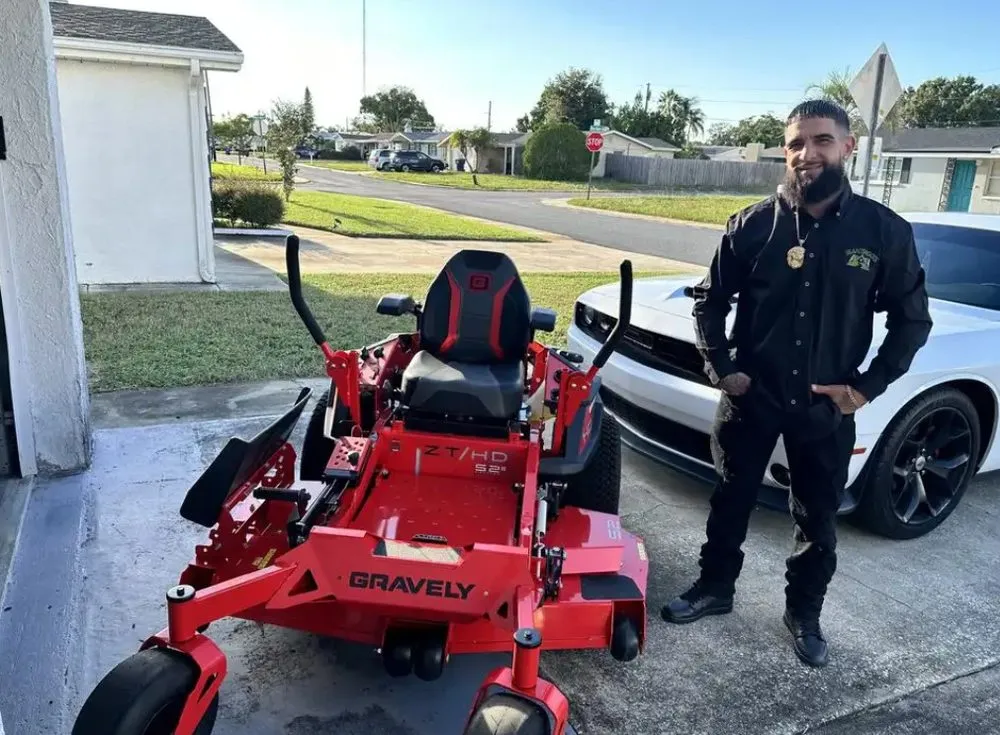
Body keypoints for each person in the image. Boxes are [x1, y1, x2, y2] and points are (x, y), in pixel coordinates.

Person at [660, 99, 933, 667]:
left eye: (823, 140)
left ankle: (803, 614)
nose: (808, 154)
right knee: (729, 501)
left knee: (817, 518)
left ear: (848, 146)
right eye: (796, 144)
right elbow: (709, 302)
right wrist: (723, 369)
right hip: (750, 399)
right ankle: (714, 589)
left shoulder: (882, 232)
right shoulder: (753, 224)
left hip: (826, 408)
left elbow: (913, 319)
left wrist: (863, 389)